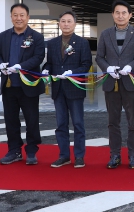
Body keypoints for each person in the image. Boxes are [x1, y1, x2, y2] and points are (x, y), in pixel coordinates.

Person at [0, 3, 46, 165]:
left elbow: (38, 57)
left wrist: (21, 66)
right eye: (15, 15)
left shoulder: (36, 37)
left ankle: (31, 151)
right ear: (11, 17)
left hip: (29, 86)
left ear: (28, 17)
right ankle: (14, 150)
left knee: (31, 120)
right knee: (11, 120)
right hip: (9, 85)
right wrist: (0, 64)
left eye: (22, 15)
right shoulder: (4, 36)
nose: (18, 18)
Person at [96, 0, 134, 169]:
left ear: (130, 15)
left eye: (124, 13)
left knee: (133, 121)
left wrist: (130, 67)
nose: (120, 16)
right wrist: (107, 68)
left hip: (130, 82)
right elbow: (99, 57)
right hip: (111, 83)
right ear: (113, 15)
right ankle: (115, 155)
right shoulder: (105, 34)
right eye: (117, 12)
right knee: (113, 121)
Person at [43, 10, 92, 169]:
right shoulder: (52, 43)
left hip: (74, 88)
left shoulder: (82, 43)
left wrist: (73, 73)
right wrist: (46, 69)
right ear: (59, 24)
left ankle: (79, 156)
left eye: (69, 21)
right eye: (63, 21)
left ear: (75, 24)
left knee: (78, 124)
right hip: (58, 89)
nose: (66, 24)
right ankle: (64, 156)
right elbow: (50, 63)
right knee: (61, 124)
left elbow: (86, 64)